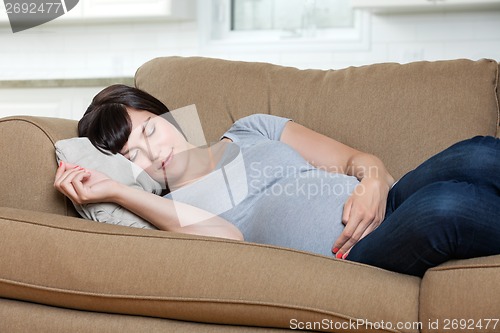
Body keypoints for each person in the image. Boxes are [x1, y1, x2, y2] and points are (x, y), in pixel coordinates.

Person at [54, 84, 500, 277]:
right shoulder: (172, 212)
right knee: (447, 205)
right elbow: (227, 237)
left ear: (164, 112)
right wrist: (115, 190)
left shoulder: (253, 127)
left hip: (389, 200)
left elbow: (355, 159)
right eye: (133, 155)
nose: (153, 151)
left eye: (150, 129)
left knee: (478, 152)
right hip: (359, 251)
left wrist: (373, 183)